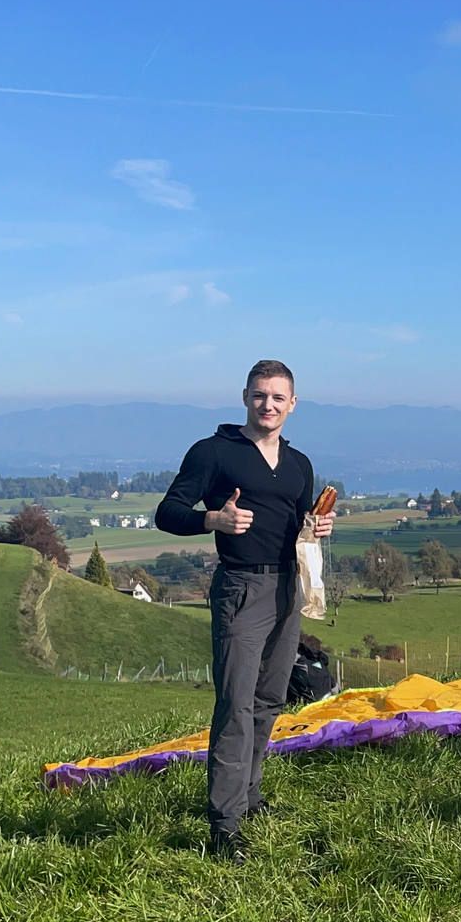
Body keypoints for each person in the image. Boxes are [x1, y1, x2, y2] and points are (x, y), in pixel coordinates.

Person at [156, 360, 331, 860]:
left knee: (269, 698)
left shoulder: (299, 464)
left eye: (277, 397)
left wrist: (317, 527)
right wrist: (214, 518)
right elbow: (167, 512)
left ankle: (249, 797)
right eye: (259, 395)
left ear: (293, 404)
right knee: (235, 704)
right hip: (241, 588)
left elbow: (296, 523)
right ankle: (224, 824)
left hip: (287, 589)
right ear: (245, 398)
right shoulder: (213, 452)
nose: (267, 405)